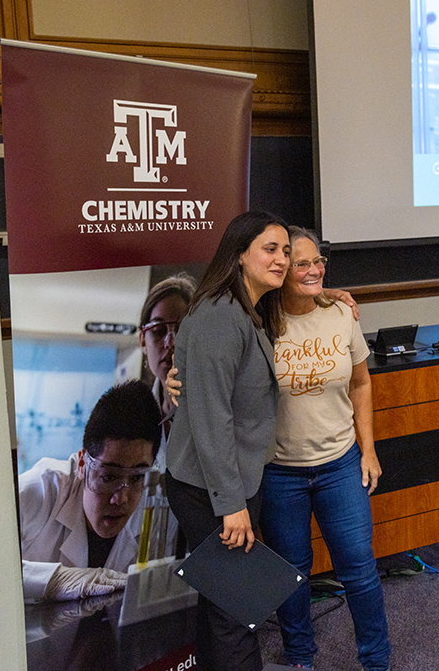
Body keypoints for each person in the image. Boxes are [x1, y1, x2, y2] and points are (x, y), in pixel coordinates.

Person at [259, 226, 390, 671]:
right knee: (292, 573)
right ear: (279, 269)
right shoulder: (258, 319)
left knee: (358, 567)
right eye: (302, 263)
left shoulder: (340, 313)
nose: (314, 270)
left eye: (319, 262)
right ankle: (299, 657)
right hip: (279, 471)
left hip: (340, 463)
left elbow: (361, 382)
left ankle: (376, 661)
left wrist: (368, 450)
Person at [166, 210, 291, 671]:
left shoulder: (247, 309)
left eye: (286, 252)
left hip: (233, 481)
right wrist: (230, 504)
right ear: (239, 255)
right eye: (270, 249)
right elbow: (211, 417)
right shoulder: (221, 316)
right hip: (210, 489)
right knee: (238, 607)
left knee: (221, 600)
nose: (281, 260)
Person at [19, 380, 162, 601]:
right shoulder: (40, 490)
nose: (121, 498)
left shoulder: (153, 513)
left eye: (136, 477)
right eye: (108, 477)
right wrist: (53, 580)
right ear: (83, 465)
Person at [138, 274, 196, 459]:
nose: (170, 342)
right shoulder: (134, 416)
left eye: (183, 330)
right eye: (158, 331)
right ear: (143, 342)